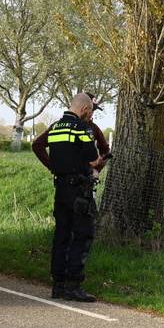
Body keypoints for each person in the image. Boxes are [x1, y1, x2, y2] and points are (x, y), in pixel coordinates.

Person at [32, 93, 109, 302]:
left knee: (61, 236)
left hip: (61, 189)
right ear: (84, 109)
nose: (91, 115)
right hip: (80, 191)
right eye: (91, 111)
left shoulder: (56, 127)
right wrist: (99, 162)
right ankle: (74, 285)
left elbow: (37, 145)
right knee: (83, 235)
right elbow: (94, 160)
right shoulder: (82, 129)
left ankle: (58, 286)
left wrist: (53, 167)